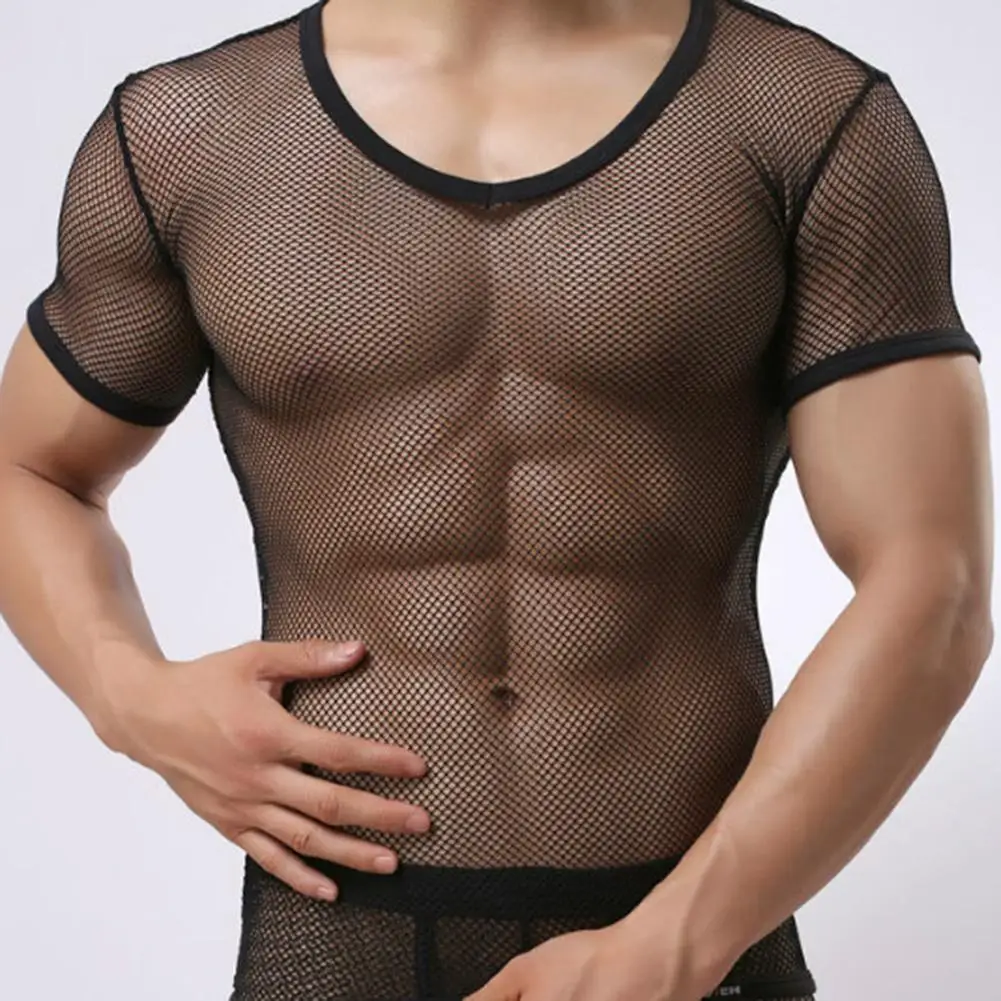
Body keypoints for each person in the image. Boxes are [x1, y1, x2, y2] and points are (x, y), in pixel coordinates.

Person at [0, 0, 992, 998]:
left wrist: (677, 942)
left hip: (691, 930)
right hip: (337, 922)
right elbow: (28, 467)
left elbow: (934, 585)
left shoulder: (801, 116)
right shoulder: (188, 134)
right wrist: (128, 695)